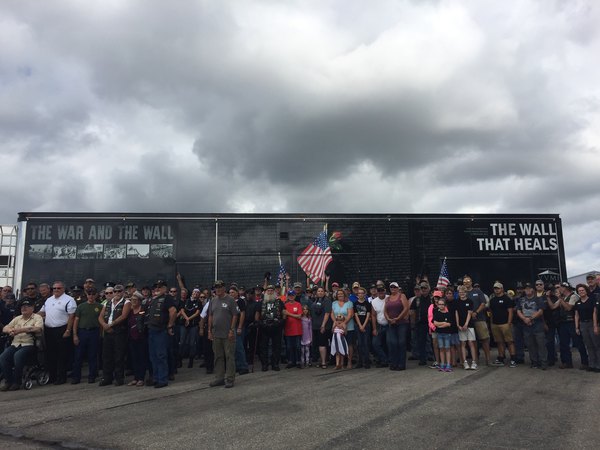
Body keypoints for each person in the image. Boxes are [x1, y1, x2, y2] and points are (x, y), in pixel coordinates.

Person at [0, 300, 43, 391]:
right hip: (15, 343)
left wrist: (22, 330)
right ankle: (8, 381)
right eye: (22, 307)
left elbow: (38, 329)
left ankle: (17, 382)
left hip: (29, 344)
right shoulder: (17, 318)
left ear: (32, 308)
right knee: (3, 357)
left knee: (18, 356)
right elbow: (5, 328)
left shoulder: (37, 317)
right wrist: (10, 331)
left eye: (27, 306)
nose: (24, 308)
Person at [39, 281, 77, 385]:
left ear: (63, 289)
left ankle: (61, 378)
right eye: (54, 288)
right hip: (49, 330)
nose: (56, 290)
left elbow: (71, 316)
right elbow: (42, 312)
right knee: (50, 354)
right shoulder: (48, 300)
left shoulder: (69, 300)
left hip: (62, 329)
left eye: (58, 288)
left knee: (62, 355)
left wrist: (68, 330)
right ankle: (52, 377)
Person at [143, 280, 177, 388]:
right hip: (151, 330)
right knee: (153, 356)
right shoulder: (153, 299)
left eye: (160, 287)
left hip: (160, 330)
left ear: (165, 288)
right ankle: (156, 378)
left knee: (161, 355)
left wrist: (170, 325)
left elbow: (173, 311)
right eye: (156, 287)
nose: (158, 289)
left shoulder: (167, 298)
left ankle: (163, 379)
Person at [98, 284, 131, 386]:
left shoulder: (126, 302)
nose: (116, 293)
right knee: (106, 355)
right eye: (115, 292)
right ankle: (107, 377)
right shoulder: (107, 302)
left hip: (119, 331)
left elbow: (124, 316)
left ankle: (119, 378)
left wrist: (111, 324)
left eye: (119, 291)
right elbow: (100, 316)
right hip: (108, 331)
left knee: (119, 355)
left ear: (123, 292)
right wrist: (104, 325)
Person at [208, 280, 238, 388]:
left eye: (220, 287)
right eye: (216, 287)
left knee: (229, 356)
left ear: (224, 288)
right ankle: (219, 378)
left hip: (227, 333)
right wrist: (209, 331)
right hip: (216, 333)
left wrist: (231, 330)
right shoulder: (213, 300)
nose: (218, 289)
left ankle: (230, 378)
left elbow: (235, 315)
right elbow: (210, 316)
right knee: (218, 356)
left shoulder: (230, 300)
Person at [71, 287, 102, 384]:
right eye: (89, 294)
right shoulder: (81, 306)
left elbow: (101, 321)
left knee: (92, 355)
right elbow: (76, 320)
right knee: (78, 356)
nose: (91, 296)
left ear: (96, 295)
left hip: (94, 332)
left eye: (93, 294)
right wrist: (75, 335)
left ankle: (92, 376)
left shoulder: (100, 306)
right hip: (82, 332)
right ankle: (76, 377)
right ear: (87, 295)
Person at [556, 282, 588, 369]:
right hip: (563, 322)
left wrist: (560, 299)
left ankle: (585, 362)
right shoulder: (563, 297)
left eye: (560, 287)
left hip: (572, 322)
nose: (559, 289)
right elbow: (554, 307)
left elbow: (569, 308)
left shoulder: (574, 296)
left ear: (565, 288)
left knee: (578, 343)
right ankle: (567, 362)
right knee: (563, 343)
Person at [517, 283, 548, 369]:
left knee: (541, 344)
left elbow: (541, 311)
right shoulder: (521, 300)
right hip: (526, 326)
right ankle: (534, 362)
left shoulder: (538, 299)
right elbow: (518, 311)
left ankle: (544, 363)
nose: (527, 290)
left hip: (537, 325)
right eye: (525, 289)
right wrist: (524, 319)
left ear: (532, 290)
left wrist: (530, 318)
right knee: (530, 345)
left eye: (529, 288)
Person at [488, 282, 517, 368]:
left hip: (505, 324)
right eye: (495, 288)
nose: (496, 290)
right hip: (495, 324)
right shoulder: (492, 300)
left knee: (510, 341)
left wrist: (509, 323)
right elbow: (491, 312)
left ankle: (513, 359)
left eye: (498, 288)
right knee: (499, 342)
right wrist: (491, 323)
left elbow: (510, 312)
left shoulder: (507, 299)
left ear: (502, 289)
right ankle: (501, 358)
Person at [464, 275, 491, 366]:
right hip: (469, 321)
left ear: (471, 282)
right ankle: (475, 360)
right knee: (473, 340)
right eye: (464, 282)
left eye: (468, 281)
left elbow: (483, 303)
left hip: (479, 319)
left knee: (484, 339)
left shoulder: (478, 291)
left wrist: (476, 312)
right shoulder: (463, 293)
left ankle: (488, 359)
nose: (466, 283)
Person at [257, 285, 284, 372]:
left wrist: (281, 322)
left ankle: (275, 364)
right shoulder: (261, 302)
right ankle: (264, 364)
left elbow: (284, 313)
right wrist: (260, 323)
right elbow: (257, 314)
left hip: (276, 326)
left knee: (277, 346)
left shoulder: (279, 302)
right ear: (265, 292)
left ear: (274, 292)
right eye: (268, 290)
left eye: (272, 291)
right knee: (263, 346)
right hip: (264, 326)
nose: (270, 292)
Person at [384, 282, 410, 371]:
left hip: (401, 323)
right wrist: (388, 318)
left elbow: (406, 308)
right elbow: (385, 310)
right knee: (393, 343)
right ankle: (394, 363)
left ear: (398, 288)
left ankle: (401, 364)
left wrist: (398, 318)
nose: (393, 288)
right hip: (391, 323)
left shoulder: (402, 296)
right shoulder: (387, 298)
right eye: (391, 287)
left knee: (401, 343)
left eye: (394, 287)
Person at [575, 284, 600, 372]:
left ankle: (598, 365)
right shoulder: (577, 302)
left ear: (586, 291)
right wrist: (577, 327)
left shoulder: (592, 300)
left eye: (582, 290)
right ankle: (592, 364)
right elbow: (576, 315)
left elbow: (595, 313)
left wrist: (595, 326)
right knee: (588, 345)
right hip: (582, 325)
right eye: (579, 291)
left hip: (591, 323)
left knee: (596, 344)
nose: (581, 292)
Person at [455, 285, 478, 370]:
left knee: (471, 343)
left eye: (463, 292)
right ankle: (464, 362)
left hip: (469, 325)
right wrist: (458, 324)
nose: (462, 294)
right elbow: (456, 313)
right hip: (460, 326)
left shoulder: (470, 301)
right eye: (460, 292)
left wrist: (466, 324)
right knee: (463, 343)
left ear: (466, 293)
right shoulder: (457, 302)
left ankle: (474, 362)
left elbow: (470, 313)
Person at [331, 289, 355, 369]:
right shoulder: (334, 303)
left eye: (341, 294)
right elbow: (332, 314)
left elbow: (350, 314)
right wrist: (336, 322)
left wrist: (344, 323)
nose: (340, 295)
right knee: (339, 345)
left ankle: (349, 361)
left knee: (349, 344)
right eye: (338, 294)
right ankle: (340, 363)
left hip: (348, 327)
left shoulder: (349, 303)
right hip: (337, 327)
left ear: (344, 294)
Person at [127, 292, 147, 386]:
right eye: (132, 300)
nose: (133, 302)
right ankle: (135, 377)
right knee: (134, 358)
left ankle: (141, 378)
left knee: (141, 358)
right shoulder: (129, 311)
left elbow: (144, 321)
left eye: (135, 300)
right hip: (131, 337)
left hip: (141, 337)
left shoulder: (142, 310)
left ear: (139, 301)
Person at [410, 281, 432, 367]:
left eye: (425, 288)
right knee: (421, 342)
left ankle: (434, 357)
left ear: (428, 289)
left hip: (431, 323)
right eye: (422, 288)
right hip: (420, 323)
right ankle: (422, 359)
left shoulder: (432, 299)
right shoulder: (417, 299)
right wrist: (413, 323)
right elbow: (412, 311)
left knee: (433, 341)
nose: (423, 290)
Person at [309, 287, 332, 368]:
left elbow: (327, 313)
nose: (320, 292)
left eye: (322, 291)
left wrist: (323, 325)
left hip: (323, 327)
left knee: (322, 344)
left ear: (324, 292)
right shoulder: (315, 301)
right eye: (319, 291)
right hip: (315, 327)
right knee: (318, 345)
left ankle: (323, 362)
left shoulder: (327, 301)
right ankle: (321, 360)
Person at [229, 286, 249, 375]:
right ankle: (237, 365)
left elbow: (242, 314)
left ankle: (243, 366)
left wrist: (240, 327)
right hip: (230, 326)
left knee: (239, 347)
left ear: (237, 293)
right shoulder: (229, 302)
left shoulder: (240, 301)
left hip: (238, 326)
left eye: (233, 292)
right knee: (233, 348)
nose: (231, 294)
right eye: (230, 292)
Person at [179, 288, 200, 369]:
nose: (196, 293)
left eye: (197, 292)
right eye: (194, 292)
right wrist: (186, 318)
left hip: (193, 325)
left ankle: (191, 360)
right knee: (182, 342)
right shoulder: (186, 301)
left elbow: (197, 313)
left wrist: (189, 319)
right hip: (184, 324)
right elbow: (182, 310)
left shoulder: (198, 302)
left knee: (192, 343)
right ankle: (179, 359)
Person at [432, 296, 453, 372]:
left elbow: (449, 324)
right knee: (441, 349)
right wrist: (443, 323)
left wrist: (440, 325)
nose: (441, 305)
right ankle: (442, 364)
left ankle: (448, 364)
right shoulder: (437, 313)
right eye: (439, 304)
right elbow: (435, 323)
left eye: (442, 304)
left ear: (445, 305)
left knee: (447, 348)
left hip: (447, 333)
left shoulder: (448, 314)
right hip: (439, 334)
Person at [283, 290, 303, 369]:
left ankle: (298, 361)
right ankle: (291, 361)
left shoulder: (298, 304)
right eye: (290, 295)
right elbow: (284, 316)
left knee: (298, 347)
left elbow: (299, 316)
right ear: (288, 296)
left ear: (295, 296)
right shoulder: (285, 305)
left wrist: (288, 314)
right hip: (288, 329)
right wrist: (286, 314)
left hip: (297, 330)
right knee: (289, 347)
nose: (291, 296)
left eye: (293, 295)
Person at [371, 285, 389, 367]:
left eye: (382, 290)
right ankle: (384, 359)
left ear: (385, 290)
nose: (381, 292)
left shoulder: (389, 298)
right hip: (379, 325)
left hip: (389, 325)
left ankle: (389, 360)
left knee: (389, 343)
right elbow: (373, 315)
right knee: (375, 343)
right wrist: (374, 328)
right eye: (379, 291)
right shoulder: (374, 301)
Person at [354, 287, 372, 369]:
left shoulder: (367, 304)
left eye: (362, 293)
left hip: (366, 325)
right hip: (358, 326)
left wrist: (364, 325)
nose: (360, 294)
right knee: (359, 344)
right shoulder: (355, 304)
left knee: (366, 344)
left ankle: (367, 361)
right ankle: (360, 361)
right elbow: (356, 315)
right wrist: (360, 325)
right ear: (357, 295)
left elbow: (368, 315)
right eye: (359, 293)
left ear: (364, 294)